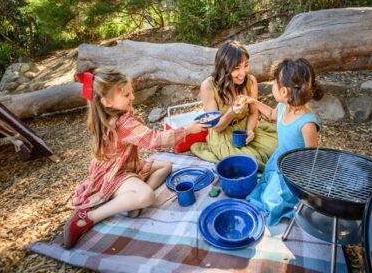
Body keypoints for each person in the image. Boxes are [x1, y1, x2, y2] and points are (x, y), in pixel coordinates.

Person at [63, 68, 206, 249]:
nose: (132, 97)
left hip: (127, 166)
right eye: (126, 95)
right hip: (113, 173)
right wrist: (186, 130)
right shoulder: (123, 123)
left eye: (131, 92)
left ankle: (131, 202)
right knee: (147, 196)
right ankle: (88, 218)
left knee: (166, 166)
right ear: (107, 101)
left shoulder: (108, 116)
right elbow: (153, 140)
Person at [241, 58, 324, 225]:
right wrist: (254, 102)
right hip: (280, 158)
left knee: (272, 202)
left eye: (273, 83)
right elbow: (272, 115)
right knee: (263, 189)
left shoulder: (307, 123)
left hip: (295, 169)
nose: (271, 85)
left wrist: (302, 184)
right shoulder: (284, 106)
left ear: (284, 91)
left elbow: (311, 156)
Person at [190, 40, 277, 170]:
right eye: (236, 68)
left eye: (246, 65)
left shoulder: (251, 81)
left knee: (277, 149)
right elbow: (217, 128)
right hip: (223, 135)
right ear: (224, 68)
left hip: (246, 126)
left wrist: (250, 130)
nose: (243, 73)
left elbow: (253, 112)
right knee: (251, 162)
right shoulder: (208, 86)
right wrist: (231, 112)